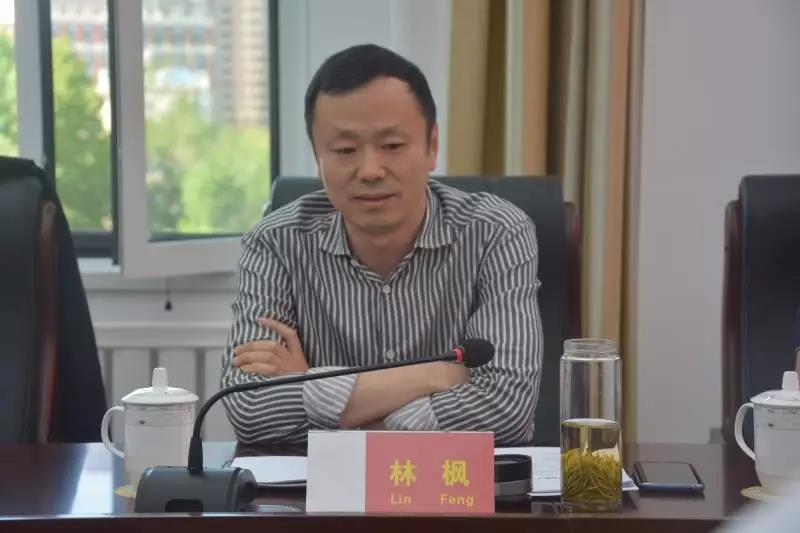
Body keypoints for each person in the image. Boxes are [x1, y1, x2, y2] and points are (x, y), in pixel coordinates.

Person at [220, 43, 542, 445]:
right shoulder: (274, 243)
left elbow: (507, 410)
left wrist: (310, 386)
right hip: (319, 487)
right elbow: (249, 408)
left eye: (391, 146)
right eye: (345, 150)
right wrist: (437, 375)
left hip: (454, 484)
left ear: (432, 146)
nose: (370, 170)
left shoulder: (496, 232)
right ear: (318, 157)